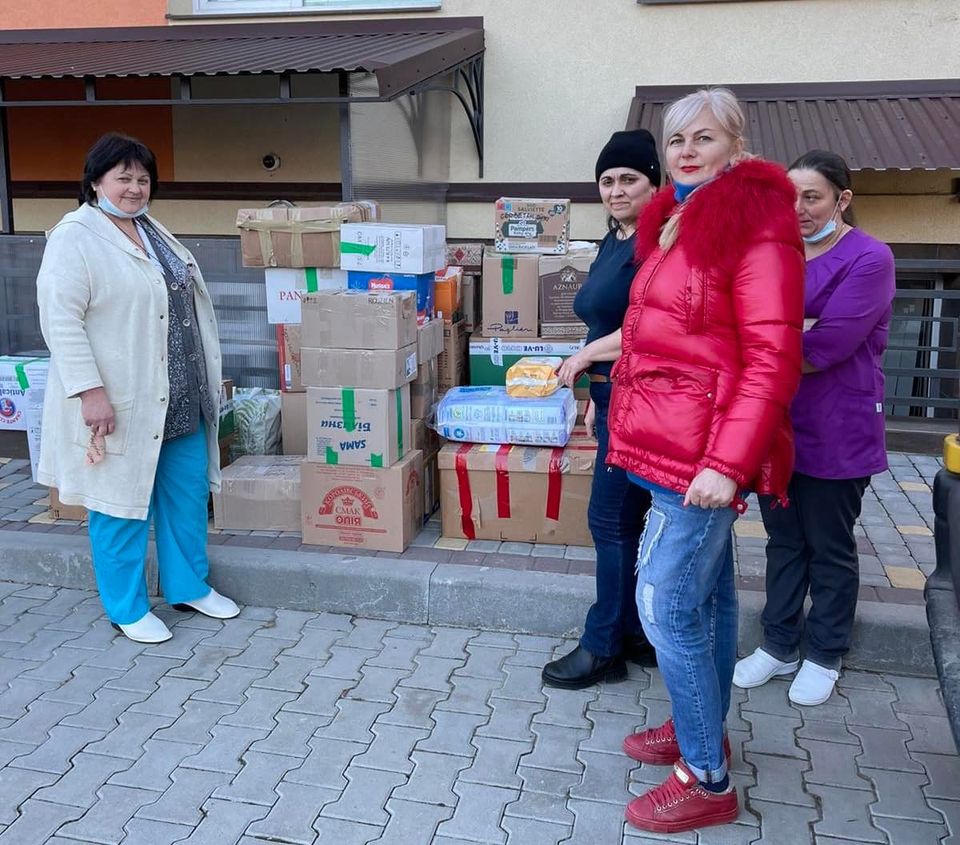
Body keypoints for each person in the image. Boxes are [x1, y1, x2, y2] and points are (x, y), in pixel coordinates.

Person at [606, 88, 805, 833]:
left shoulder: (753, 219)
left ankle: (708, 779)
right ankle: (703, 730)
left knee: (664, 604)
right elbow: (664, 335)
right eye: (676, 139)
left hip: (699, 459)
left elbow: (773, 354)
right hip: (666, 440)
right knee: (711, 598)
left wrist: (727, 462)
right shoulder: (677, 217)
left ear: (737, 145)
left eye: (705, 137)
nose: (686, 151)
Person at [36, 133, 240, 645]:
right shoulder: (75, 236)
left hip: (179, 395)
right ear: (95, 181)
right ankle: (125, 607)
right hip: (120, 401)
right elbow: (61, 320)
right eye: (122, 177)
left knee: (186, 496)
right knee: (118, 504)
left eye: (142, 178)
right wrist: (89, 392)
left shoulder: (149, 229)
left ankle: (187, 585)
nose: (134, 188)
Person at [733, 150, 895, 706]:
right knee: (783, 540)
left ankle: (825, 653)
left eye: (813, 197)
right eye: (790, 197)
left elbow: (825, 347)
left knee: (828, 545)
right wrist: (784, 333)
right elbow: (752, 328)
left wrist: (769, 337)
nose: (798, 208)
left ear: (842, 199)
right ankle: (778, 645)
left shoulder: (869, 259)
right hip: (778, 422)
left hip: (838, 424)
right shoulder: (778, 255)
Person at [542, 130, 661, 689]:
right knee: (628, 522)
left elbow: (652, 327)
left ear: (654, 183)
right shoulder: (617, 238)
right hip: (616, 395)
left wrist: (588, 356)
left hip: (647, 401)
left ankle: (603, 646)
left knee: (610, 521)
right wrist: (595, 390)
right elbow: (602, 319)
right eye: (608, 180)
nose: (616, 189)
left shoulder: (660, 243)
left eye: (629, 179)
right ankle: (635, 633)